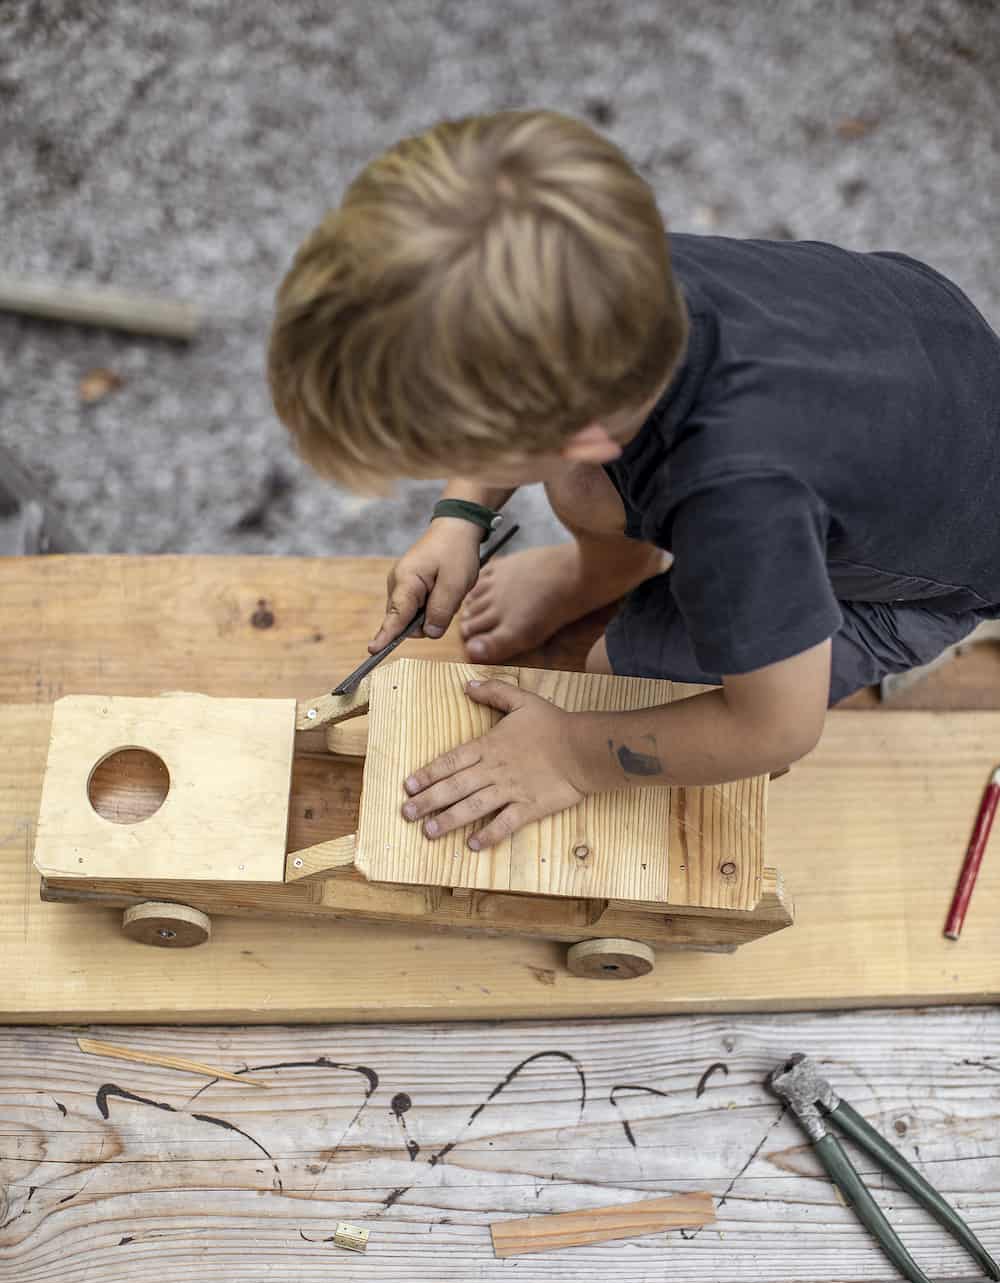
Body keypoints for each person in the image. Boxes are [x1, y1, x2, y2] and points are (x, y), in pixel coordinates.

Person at [268, 109, 1000, 854]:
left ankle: (670, 641)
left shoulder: (739, 502)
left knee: (620, 677)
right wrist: (460, 515)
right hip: (918, 372)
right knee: (581, 490)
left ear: (577, 432)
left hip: (924, 579)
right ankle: (599, 572)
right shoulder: (598, 270)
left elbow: (778, 729)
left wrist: (571, 755)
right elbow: (527, 393)